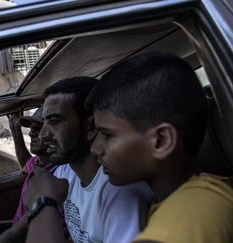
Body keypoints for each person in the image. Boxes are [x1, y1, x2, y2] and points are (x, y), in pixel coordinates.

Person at [87, 51, 233, 242]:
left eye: (107, 135)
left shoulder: (197, 207)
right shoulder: (166, 201)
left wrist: (44, 203)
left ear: (161, 141)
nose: (95, 148)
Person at [26, 77, 152, 243]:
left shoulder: (119, 190)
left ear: (90, 126)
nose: (43, 135)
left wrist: (43, 203)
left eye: (55, 122)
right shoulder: (65, 173)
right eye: (44, 123)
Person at [0, 109, 59, 243]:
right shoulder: (37, 162)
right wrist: (15, 130)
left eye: (38, 128)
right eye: (31, 128)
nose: (30, 133)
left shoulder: (60, 174)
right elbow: (25, 161)